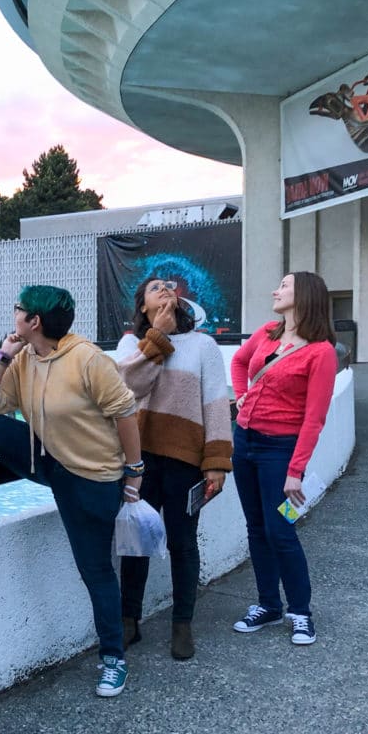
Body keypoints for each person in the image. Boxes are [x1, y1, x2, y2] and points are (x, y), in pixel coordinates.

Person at [0, 285, 142, 698]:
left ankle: (113, 658)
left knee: (94, 570)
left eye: (19, 310)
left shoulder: (87, 359)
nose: (15, 314)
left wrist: (134, 472)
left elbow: (125, 412)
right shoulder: (23, 357)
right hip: (47, 462)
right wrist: (3, 358)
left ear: (34, 321)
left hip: (93, 478)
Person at [115, 276, 233, 660]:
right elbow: (127, 388)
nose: (165, 290)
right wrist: (159, 338)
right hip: (139, 461)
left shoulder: (203, 345)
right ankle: (129, 620)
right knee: (136, 543)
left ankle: (182, 624)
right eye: (154, 289)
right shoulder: (131, 345)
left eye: (169, 286)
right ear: (143, 307)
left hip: (186, 462)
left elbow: (216, 403)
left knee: (183, 544)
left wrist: (216, 462)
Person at [230, 271, 337, 646]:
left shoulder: (321, 351)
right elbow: (240, 363)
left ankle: (301, 612)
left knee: (281, 531)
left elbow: (315, 417)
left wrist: (296, 471)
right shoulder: (265, 333)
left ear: (303, 295)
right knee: (256, 528)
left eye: (285, 285)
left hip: (281, 452)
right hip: (244, 442)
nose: (276, 290)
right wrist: (241, 394)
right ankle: (268, 605)